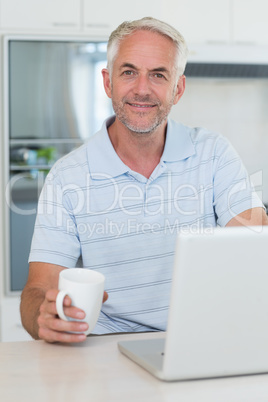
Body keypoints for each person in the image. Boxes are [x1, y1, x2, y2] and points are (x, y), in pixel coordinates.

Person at [20, 17, 268, 343]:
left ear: (177, 88)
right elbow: (37, 290)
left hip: (200, 340)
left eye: (158, 75)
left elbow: (252, 252)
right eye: (129, 72)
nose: (141, 89)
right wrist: (44, 317)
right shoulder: (66, 177)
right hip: (103, 348)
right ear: (108, 82)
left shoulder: (214, 154)